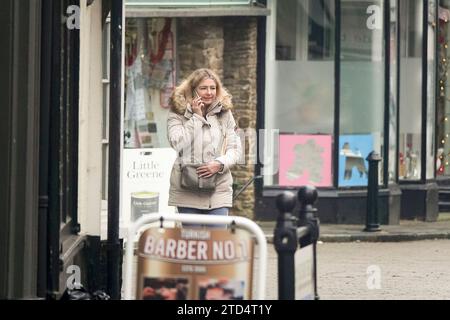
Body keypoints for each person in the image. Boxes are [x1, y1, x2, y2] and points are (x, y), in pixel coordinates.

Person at [167, 68, 242, 228]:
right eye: (203, 88)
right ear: (193, 90)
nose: (209, 93)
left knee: (216, 241)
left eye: (213, 88)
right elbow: (177, 143)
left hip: (218, 188)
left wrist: (220, 164)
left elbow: (235, 150)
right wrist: (197, 117)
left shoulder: (225, 114)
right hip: (187, 186)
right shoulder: (177, 112)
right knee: (193, 244)